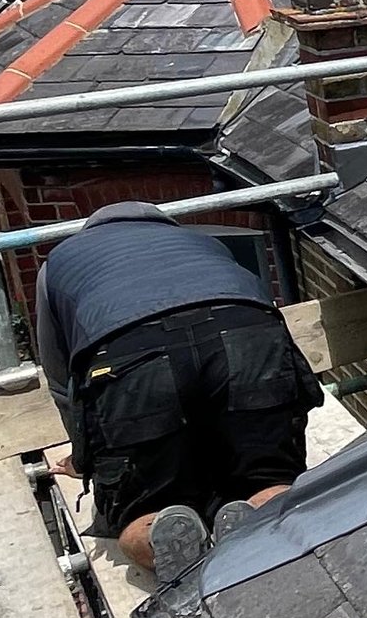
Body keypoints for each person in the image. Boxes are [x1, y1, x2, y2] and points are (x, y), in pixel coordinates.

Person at [34, 202, 323, 582]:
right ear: (162, 223)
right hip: (245, 335)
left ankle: (157, 531)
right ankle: (262, 514)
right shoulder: (199, 241)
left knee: (142, 506)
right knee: (268, 475)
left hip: (129, 355)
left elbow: (61, 380)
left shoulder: (58, 263)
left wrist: (85, 457)